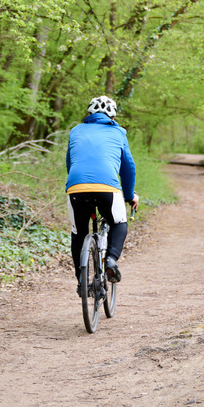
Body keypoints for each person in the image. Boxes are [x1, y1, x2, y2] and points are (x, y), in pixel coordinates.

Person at [66, 95, 139, 289]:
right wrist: (129, 195)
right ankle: (111, 260)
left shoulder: (75, 131)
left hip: (76, 187)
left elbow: (70, 162)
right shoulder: (119, 132)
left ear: (89, 114)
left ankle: (81, 280)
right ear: (112, 116)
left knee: (78, 232)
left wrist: (79, 185)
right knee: (119, 222)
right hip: (108, 187)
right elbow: (128, 167)